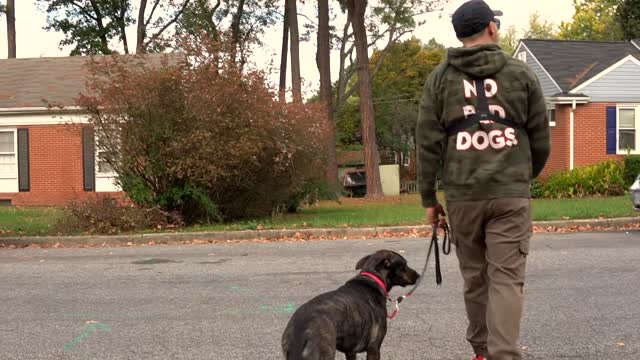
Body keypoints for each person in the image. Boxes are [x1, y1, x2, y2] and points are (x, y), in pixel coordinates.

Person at [415, 1, 551, 359]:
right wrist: (521, 177)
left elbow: (427, 143)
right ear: (492, 28)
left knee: (476, 279)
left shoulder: (440, 78)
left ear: (461, 35)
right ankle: (503, 355)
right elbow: (540, 138)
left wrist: (429, 199)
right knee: (506, 278)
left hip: (462, 196)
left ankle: (481, 352)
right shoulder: (521, 74)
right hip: (510, 195)